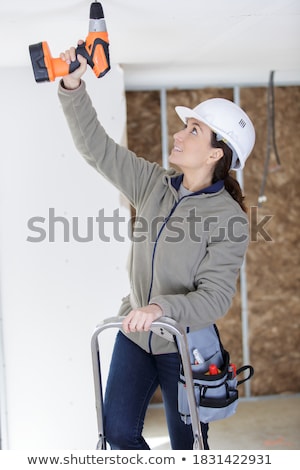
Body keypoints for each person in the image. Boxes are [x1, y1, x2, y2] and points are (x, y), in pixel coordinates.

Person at [58, 45, 255, 450]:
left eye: (194, 131)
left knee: (188, 446)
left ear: (216, 153)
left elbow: (215, 298)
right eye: (185, 127)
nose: (179, 134)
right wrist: (73, 84)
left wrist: (161, 309)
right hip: (133, 334)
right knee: (116, 434)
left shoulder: (229, 218)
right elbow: (97, 149)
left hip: (182, 344)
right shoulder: (152, 184)